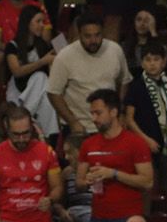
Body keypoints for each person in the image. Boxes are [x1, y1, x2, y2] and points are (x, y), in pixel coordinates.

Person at [77, 89, 154, 222]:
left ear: (113, 112)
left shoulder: (135, 143)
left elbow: (147, 181)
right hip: (99, 219)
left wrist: (114, 174)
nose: (94, 118)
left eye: (98, 113)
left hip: (128, 220)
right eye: (92, 113)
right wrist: (88, 180)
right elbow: (79, 183)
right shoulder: (88, 145)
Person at [0, 105, 61, 222]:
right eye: (16, 134)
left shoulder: (47, 152)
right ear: (7, 130)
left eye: (25, 134)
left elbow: (57, 187)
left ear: (32, 128)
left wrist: (50, 199)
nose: (21, 139)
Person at [48, 12, 130, 147]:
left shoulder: (115, 50)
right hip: (80, 128)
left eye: (97, 35)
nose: (93, 40)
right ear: (79, 34)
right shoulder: (64, 57)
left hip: (109, 125)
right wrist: (73, 122)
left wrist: (120, 112)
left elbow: (124, 81)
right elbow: (53, 93)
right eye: (88, 36)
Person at [124, 39, 167, 212]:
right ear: (142, 62)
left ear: (164, 61)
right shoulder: (136, 86)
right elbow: (129, 119)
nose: (152, 64)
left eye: (156, 59)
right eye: (148, 60)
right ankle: (145, 221)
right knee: (147, 186)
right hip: (145, 144)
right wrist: (146, 140)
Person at [2, 6, 56, 137]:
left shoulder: (42, 45)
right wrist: (42, 61)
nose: (42, 25)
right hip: (19, 93)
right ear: (27, 23)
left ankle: (48, 137)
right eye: (38, 22)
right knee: (40, 77)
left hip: (37, 94)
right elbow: (17, 71)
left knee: (48, 101)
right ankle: (26, 115)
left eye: (43, 22)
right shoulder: (12, 46)